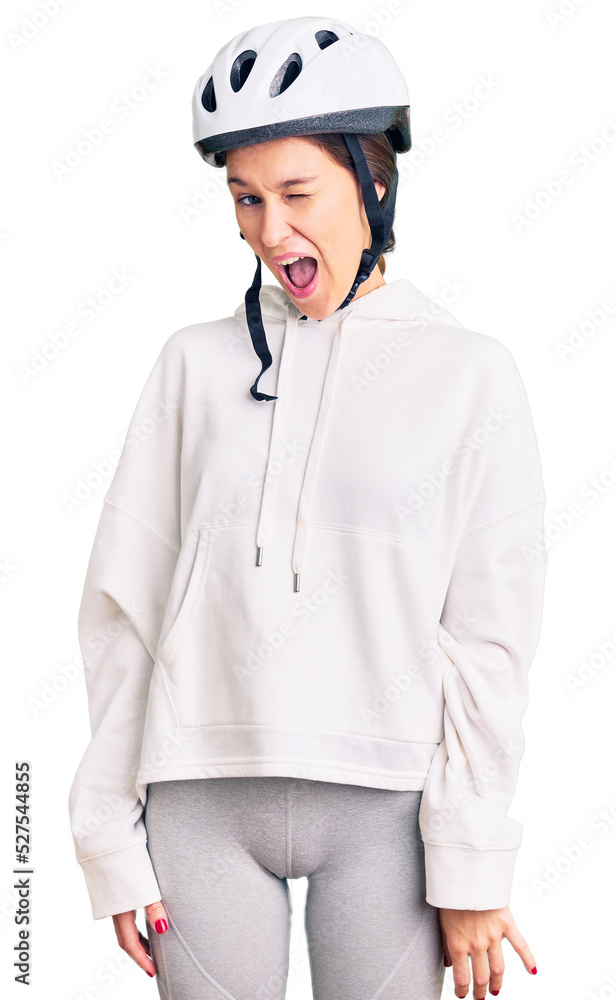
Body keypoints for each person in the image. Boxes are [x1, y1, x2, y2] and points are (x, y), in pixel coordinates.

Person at [68, 15, 546, 1000]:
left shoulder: (470, 376)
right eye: (244, 198)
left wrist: (468, 860)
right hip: (197, 796)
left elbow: (491, 642)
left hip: (386, 814)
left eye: (295, 193)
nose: (267, 230)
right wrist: (107, 835)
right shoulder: (192, 367)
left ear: (374, 182)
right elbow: (123, 609)